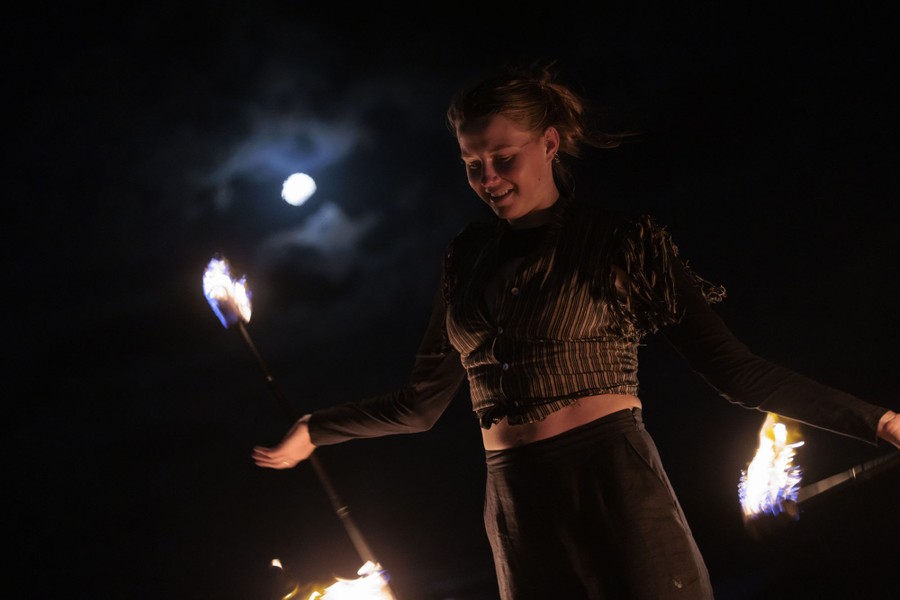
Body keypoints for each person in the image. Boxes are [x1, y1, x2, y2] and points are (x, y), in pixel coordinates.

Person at [253, 63, 900, 599]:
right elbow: (421, 405)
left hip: (611, 483)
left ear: (551, 144)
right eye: (472, 164)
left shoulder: (620, 242)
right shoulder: (465, 259)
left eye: (503, 158)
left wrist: (877, 421)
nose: (489, 181)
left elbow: (736, 371)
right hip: (514, 506)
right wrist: (317, 428)